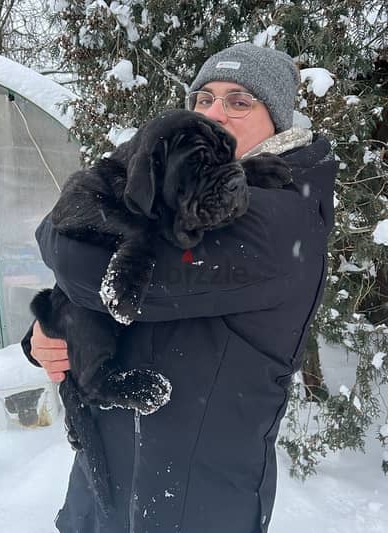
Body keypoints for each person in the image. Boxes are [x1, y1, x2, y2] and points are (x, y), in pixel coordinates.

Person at [22, 43, 336, 533]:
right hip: (105, 486)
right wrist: (48, 332)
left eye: (239, 101)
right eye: (204, 98)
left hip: (192, 504)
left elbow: (89, 265)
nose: (216, 113)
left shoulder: (279, 216)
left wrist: (56, 234)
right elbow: (92, 268)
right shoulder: (187, 178)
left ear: (278, 119)